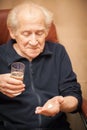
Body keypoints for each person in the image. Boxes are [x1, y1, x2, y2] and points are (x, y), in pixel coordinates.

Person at [0, 2, 82, 130]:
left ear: (47, 31)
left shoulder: (58, 52)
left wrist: (61, 104)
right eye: (26, 34)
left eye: (39, 33)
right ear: (12, 32)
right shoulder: (1, 55)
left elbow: (73, 95)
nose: (33, 42)